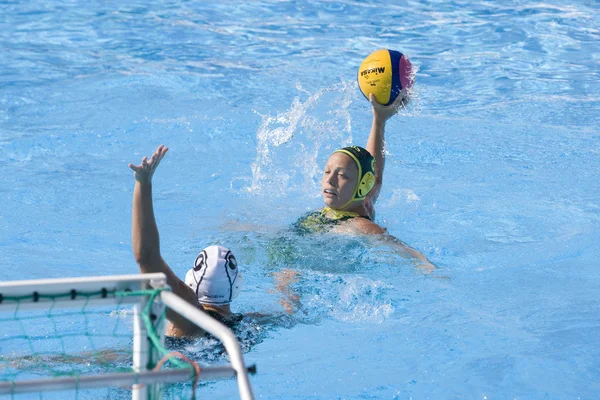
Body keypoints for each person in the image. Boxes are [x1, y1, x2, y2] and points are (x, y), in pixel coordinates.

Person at [296, 93, 436, 272]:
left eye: (342, 176)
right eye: (327, 172)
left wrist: (424, 263)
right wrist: (379, 119)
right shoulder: (361, 200)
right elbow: (375, 176)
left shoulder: (358, 225)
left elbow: (396, 245)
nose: (330, 181)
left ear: (362, 185)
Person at [129, 145, 243, 337]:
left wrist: (144, 184)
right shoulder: (245, 324)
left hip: (165, 363)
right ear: (237, 284)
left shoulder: (190, 314)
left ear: (191, 282)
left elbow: (146, 258)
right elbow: (289, 314)